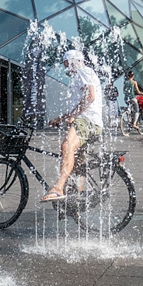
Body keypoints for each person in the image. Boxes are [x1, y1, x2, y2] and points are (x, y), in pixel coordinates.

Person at [41, 50, 103, 202]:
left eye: (67, 64)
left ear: (75, 62)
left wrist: (74, 116)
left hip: (86, 121)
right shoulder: (82, 75)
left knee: (67, 146)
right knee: (77, 164)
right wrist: (61, 118)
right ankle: (75, 205)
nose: (67, 69)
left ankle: (58, 188)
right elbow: (81, 103)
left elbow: (90, 97)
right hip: (90, 123)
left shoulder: (84, 71)